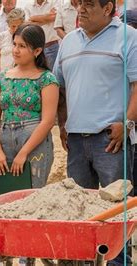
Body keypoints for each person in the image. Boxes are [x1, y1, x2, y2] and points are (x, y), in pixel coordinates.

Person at [54, 0, 137, 264]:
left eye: (90, 4)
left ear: (108, 8)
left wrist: (127, 123)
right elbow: (60, 88)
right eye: (80, 4)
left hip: (111, 140)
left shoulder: (128, 36)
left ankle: (118, 262)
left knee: (115, 212)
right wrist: (62, 123)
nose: (81, 9)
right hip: (76, 141)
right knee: (79, 209)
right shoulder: (68, 41)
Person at [0, 23, 58, 189]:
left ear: (37, 51)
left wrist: (24, 152)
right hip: (5, 143)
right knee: (6, 196)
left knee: (32, 196)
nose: (15, 50)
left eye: (22, 46)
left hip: (35, 144)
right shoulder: (2, 78)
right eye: (14, 44)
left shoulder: (47, 79)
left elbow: (48, 121)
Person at [25, 0, 61, 69]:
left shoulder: (55, 2)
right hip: (34, 49)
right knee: (36, 76)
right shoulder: (28, 6)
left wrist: (33, 18)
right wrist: (47, 17)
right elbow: (27, 25)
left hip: (52, 47)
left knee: (53, 76)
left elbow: (55, 17)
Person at [0, 8, 25, 78]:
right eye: (13, 26)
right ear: (8, 24)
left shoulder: (27, 38)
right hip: (5, 77)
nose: (16, 29)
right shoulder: (1, 37)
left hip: (22, 77)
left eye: (19, 26)